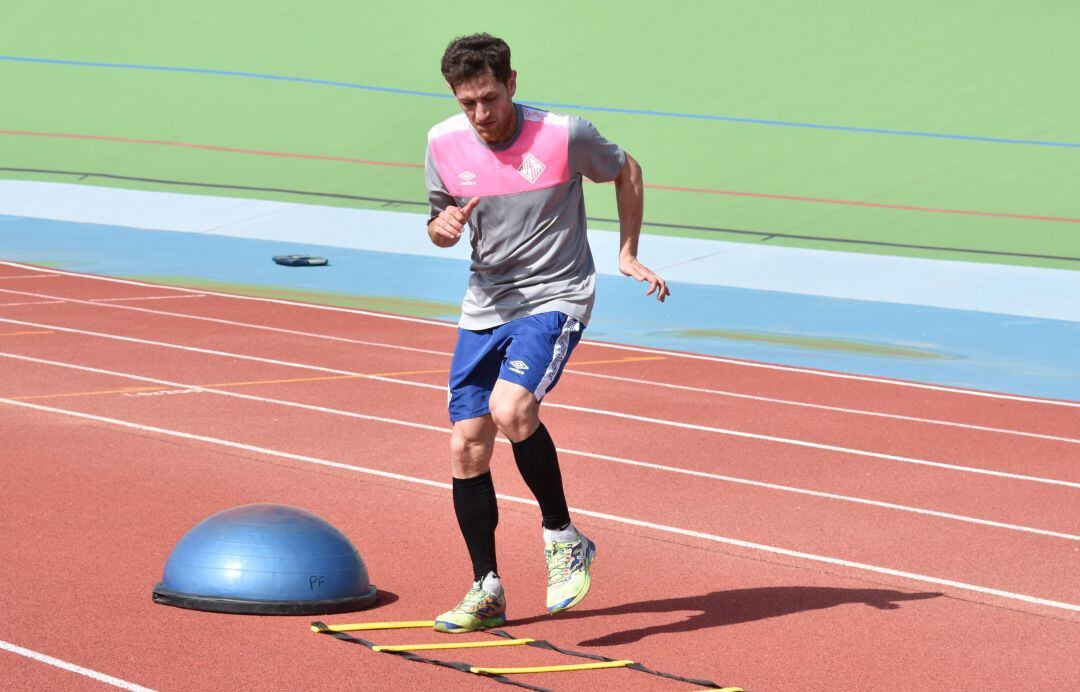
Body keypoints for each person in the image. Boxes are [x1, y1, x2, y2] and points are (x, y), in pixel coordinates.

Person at [425, 33, 670, 633]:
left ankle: (564, 538)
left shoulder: (563, 135)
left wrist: (628, 252)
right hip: (486, 302)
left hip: (555, 293)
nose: (480, 114)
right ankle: (486, 587)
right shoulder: (442, 142)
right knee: (465, 444)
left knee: (512, 407)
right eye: (467, 103)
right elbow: (435, 220)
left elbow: (627, 168)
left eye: (489, 97)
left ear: (511, 83)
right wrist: (444, 227)